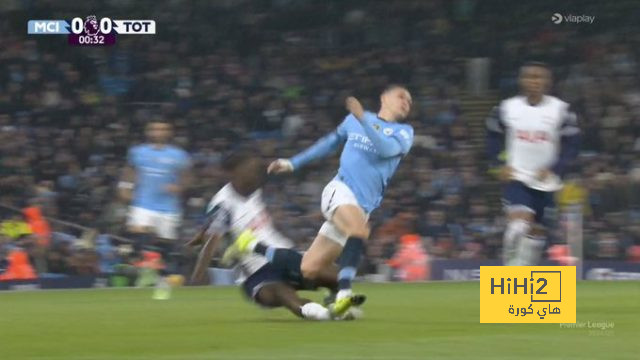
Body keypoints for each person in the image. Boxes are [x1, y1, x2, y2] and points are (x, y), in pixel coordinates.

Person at [262, 85, 414, 311]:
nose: (406, 102)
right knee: (360, 231)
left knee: (310, 268)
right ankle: (344, 293)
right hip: (340, 190)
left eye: (410, 102)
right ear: (384, 97)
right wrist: (293, 163)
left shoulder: (404, 132)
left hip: (361, 207)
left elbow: (385, 149)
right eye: (401, 96)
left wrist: (363, 118)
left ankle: (255, 248)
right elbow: (328, 143)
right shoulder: (354, 120)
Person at [188, 149, 359, 320]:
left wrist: (201, 233)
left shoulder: (252, 189)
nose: (256, 173)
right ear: (235, 173)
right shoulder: (224, 204)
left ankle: (333, 301)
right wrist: (197, 277)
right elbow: (212, 238)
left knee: (338, 275)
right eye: (251, 169)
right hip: (258, 272)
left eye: (256, 169)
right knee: (283, 294)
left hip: (285, 256)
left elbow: (211, 226)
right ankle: (319, 312)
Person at [486, 62, 580, 266]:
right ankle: (510, 273)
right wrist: (497, 164)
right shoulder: (506, 108)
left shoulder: (561, 110)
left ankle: (523, 275)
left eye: (539, 77)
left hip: (548, 182)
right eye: (529, 76)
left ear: (548, 81)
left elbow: (572, 145)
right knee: (518, 227)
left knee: (535, 237)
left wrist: (556, 169)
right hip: (517, 178)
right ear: (521, 80)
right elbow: (492, 136)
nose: (533, 81)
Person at [118, 120, 191, 298]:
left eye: (163, 128)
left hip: (168, 207)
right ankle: (142, 271)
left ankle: (159, 280)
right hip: (143, 203)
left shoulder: (179, 155)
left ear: (169, 132)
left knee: (164, 244)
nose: (158, 131)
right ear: (148, 132)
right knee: (138, 232)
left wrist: (179, 187)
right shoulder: (138, 152)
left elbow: (188, 178)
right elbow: (129, 171)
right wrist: (124, 187)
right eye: (154, 128)